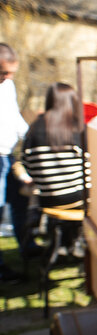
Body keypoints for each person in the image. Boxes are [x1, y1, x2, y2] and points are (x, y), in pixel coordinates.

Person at [19, 82, 89, 210]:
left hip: (47, 199)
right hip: (78, 197)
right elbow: (89, 162)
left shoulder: (34, 128)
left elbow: (26, 161)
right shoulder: (76, 128)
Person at [0, 42, 32, 282]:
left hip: (7, 157)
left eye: (11, 72)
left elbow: (13, 117)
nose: (8, 77)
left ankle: (27, 247)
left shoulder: (7, 85)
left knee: (20, 200)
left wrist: (31, 136)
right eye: (3, 72)